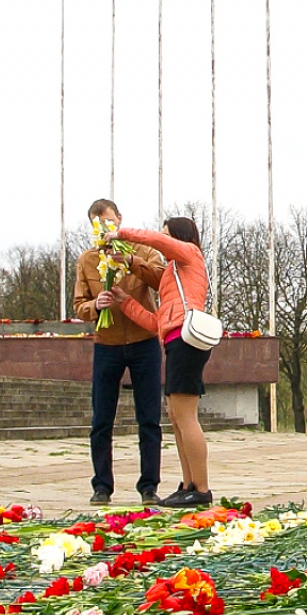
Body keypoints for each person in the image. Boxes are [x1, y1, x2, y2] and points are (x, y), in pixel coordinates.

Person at [109, 216, 213, 508]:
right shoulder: (171, 273)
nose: (163, 240)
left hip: (187, 340)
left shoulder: (190, 255)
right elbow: (156, 321)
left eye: (168, 235)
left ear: (179, 237)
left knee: (186, 415)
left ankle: (201, 488)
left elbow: (159, 242)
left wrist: (123, 234)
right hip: (173, 340)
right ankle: (187, 483)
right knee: (177, 417)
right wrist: (125, 302)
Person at [73, 200, 166, 506]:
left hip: (144, 342)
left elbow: (160, 279)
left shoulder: (141, 250)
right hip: (107, 345)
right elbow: (78, 304)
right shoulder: (87, 260)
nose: (106, 230)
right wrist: (92, 307)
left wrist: (128, 261)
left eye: (111, 223)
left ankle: (149, 485)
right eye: (99, 225)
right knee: (102, 418)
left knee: (149, 418)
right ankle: (102, 486)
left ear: (120, 221)